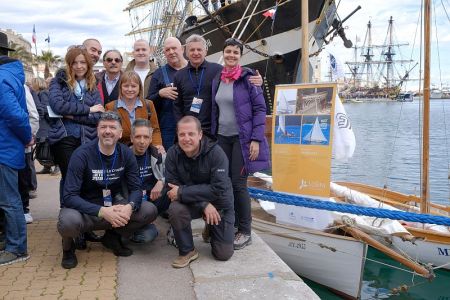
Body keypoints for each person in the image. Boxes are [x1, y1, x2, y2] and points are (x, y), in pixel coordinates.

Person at [57, 112, 158, 269]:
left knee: (149, 210)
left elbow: (136, 188)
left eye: (112, 127)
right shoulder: (81, 154)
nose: (108, 131)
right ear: (97, 131)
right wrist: (103, 212)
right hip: (86, 209)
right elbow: (69, 196)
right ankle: (68, 247)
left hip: (115, 204)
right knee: (68, 222)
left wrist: (129, 207)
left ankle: (113, 236)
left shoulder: (125, 153)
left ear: (120, 133)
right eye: (103, 126)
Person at [211, 38, 270, 250]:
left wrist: (255, 139)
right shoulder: (218, 78)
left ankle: (245, 230)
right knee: (224, 182)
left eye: (236, 52)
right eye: (228, 51)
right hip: (222, 138)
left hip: (241, 139)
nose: (231, 55)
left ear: (241, 55)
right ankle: (232, 223)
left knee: (238, 183)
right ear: (223, 52)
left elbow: (260, 110)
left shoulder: (249, 78)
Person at [165, 116, 234, 268]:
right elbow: (172, 190)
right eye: (182, 134)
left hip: (220, 202)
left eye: (191, 134)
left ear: (200, 134)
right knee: (175, 209)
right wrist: (204, 204)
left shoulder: (217, 153)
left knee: (223, 254)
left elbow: (219, 188)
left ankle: (211, 228)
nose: (186, 138)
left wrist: (184, 192)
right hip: (192, 202)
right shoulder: (172, 154)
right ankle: (187, 251)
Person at [173, 34, 262, 134]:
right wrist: (180, 126)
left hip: (213, 129)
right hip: (189, 131)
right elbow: (177, 106)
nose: (196, 53)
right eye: (192, 50)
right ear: (186, 52)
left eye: (199, 49)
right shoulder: (179, 76)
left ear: (205, 51)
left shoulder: (217, 70)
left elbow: (236, 73)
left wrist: (254, 78)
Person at [48, 47, 104, 203]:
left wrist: (71, 115)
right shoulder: (58, 82)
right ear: (69, 64)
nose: (79, 66)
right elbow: (58, 106)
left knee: (87, 179)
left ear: (88, 64)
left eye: (83, 62)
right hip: (64, 138)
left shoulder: (92, 84)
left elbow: (98, 116)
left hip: (88, 139)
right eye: (75, 63)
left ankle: (85, 218)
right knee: (70, 179)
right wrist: (88, 109)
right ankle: (69, 217)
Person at [0, 31, 33, 266]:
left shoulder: (2, 77)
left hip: (4, 148)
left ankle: (17, 247)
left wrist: (27, 136)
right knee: (8, 200)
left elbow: (14, 114)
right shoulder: (10, 75)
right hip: (7, 146)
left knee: (10, 201)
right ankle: (12, 242)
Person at [129, 119, 170, 243]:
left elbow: (175, 174)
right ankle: (131, 229)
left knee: (176, 191)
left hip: (153, 199)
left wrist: (161, 181)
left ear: (151, 139)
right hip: (131, 203)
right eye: (138, 137)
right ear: (131, 138)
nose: (142, 141)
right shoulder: (123, 156)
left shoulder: (158, 155)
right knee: (147, 235)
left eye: (146, 137)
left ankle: (176, 230)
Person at [148, 37, 187, 150]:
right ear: (164, 53)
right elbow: (149, 102)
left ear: (182, 49)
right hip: (168, 130)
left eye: (174, 48)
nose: (171, 52)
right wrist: (160, 94)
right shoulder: (159, 73)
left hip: (191, 126)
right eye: (167, 50)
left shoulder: (193, 69)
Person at [105, 71, 162, 147]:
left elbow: (155, 130)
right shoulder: (111, 107)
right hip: (120, 150)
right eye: (126, 86)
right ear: (121, 87)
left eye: (133, 86)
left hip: (144, 148)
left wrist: (157, 145)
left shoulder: (148, 105)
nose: (129, 89)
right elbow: (109, 132)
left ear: (139, 88)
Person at [18, 84, 39, 224]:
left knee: (22, 177)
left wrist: (29, 135)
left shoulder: (21, 86)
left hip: (21, 141)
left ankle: (24, 209)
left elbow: (32, 114)